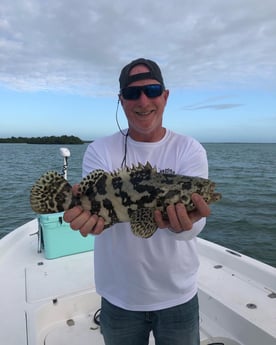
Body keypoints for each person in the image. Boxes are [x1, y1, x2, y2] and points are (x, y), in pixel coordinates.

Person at [64, 58, 211, 345]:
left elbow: (195, 225)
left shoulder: (189, 149)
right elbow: (99, 214)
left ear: (165, 96)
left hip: (177, 296)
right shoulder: (100, 149)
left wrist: (185, 225)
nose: (143, 100)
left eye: (152, 90)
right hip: (119, 297)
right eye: (133, 93)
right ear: (121, 101)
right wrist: (91, 222)